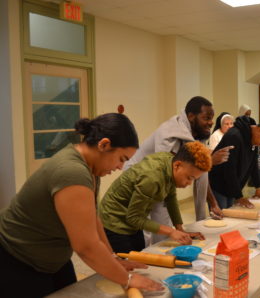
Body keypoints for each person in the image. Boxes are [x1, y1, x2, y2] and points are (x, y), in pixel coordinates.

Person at [0, 113, 163, 297]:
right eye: (122, 159)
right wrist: (127, 279)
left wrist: (112, 258)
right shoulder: (72, 172)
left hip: (54, 257)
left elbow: (92, 217)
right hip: (18, 257)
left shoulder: (91, 169)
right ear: (104, 145)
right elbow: (86, 246)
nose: (120, 167)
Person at [124, 96, 230, 244]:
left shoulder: (197, 134)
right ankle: (152, 256)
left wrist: (212, 203)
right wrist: (210, 160)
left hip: (158, 178)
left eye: (211, 118)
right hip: (140, 175)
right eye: (206, 118)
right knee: (150, 226)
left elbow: (200, 174)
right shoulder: (169, 133)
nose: (211, 122)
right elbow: (162, 172)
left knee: (165, 220)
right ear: (191, 116)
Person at [99, 142, 211, 253]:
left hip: (131, 219)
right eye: (189, 177)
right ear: (177, 165)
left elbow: (171, 197)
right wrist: (170, 232)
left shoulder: (170, 163)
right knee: (128, 262)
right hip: (114, 220)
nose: (189, 183)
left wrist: (180, 229)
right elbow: (134, 218)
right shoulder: (152, 178)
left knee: (140, 255)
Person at [209, 116, 260, 209]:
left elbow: (253, 164)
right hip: (218, 185)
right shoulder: (234, 136)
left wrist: (258, 188)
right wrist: (239, 197)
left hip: (232, 186)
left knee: (231, 213)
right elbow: (229, 169)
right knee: (222, 216)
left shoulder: (253, 138)